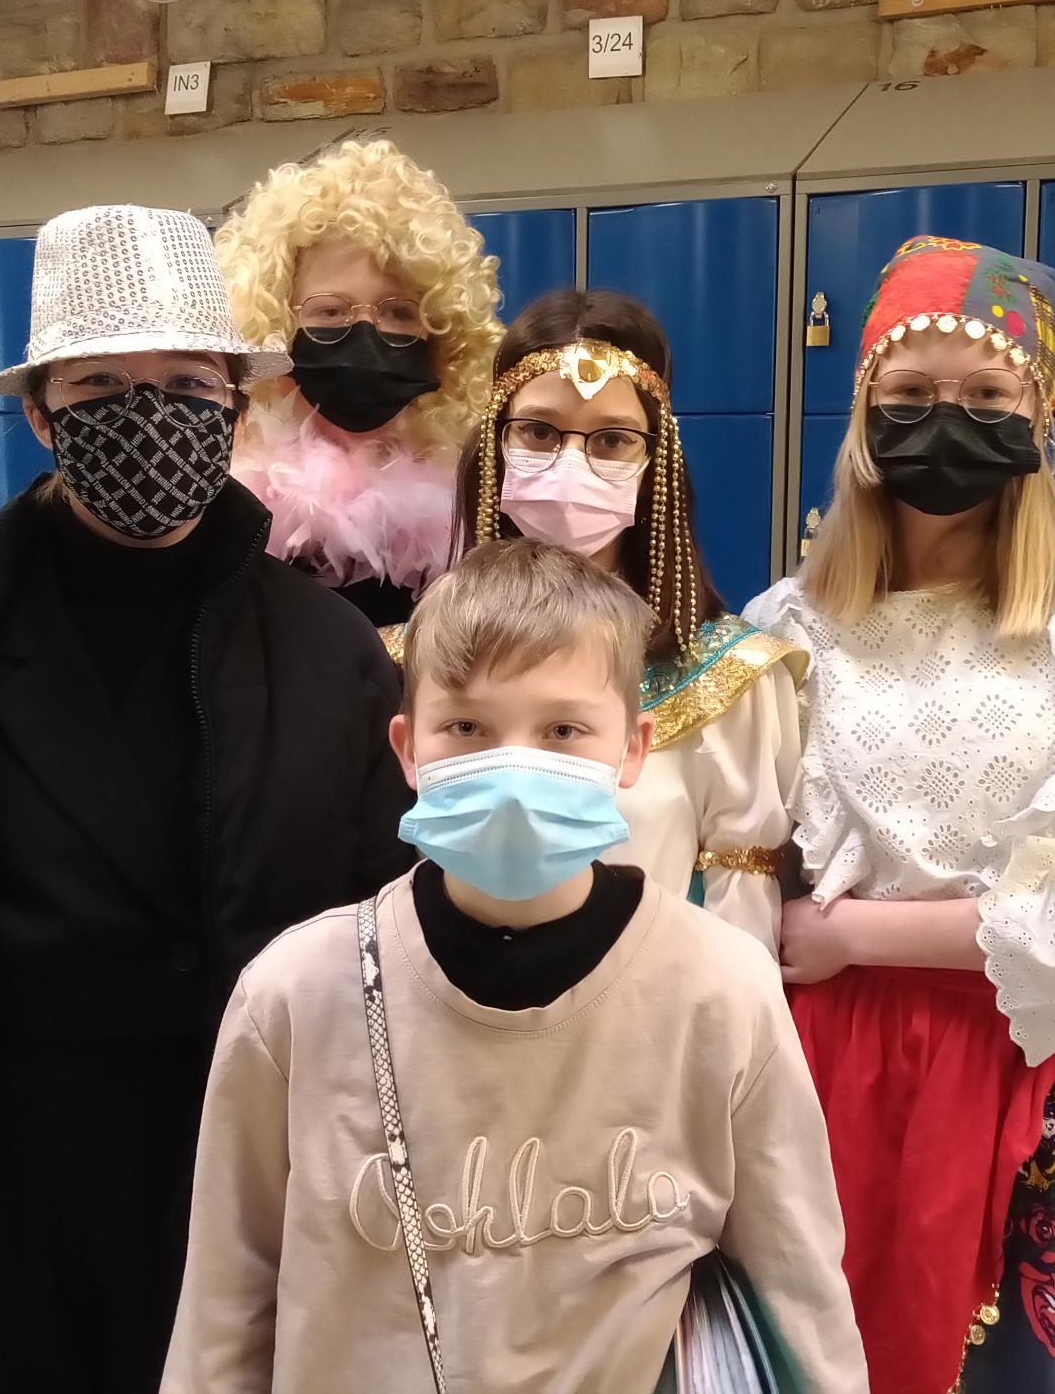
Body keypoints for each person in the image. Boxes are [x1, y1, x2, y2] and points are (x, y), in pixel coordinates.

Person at [0, 205, 414, 1394]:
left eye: (186, 384)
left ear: (235, 404)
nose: (148, 413)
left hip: (245, 1195)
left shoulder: (333, 659)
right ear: (40, 413)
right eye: (100, 383)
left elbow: (392, 971)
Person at [162, 537, 866, 1394]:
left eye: (564, 729)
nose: (514, 766)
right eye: (467, 728)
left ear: (634, 748)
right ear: (407, 749)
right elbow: (225, 1308)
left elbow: (799, 1287)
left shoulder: (720, 989)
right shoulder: (294, 995)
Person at [744, 236, 1055, 1394]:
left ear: (1039, 414)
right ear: (863, 411)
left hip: (1035, 1063)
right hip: (834, 1071)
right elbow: (745, 867)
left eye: (987, 395)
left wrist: (853, 934)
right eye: (907, 392)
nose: (943, 419)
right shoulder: (784, 625)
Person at [386, 288, 803, 954]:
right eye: (539, 432)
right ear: (495, 443)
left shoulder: (730, 678)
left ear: (654, 462)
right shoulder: (406, 663)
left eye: (612, 440)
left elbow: (741, 915)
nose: (571, 463)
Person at [218, 138, 501, 626]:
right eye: (330, 310)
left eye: (399, 312)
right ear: (274, 326)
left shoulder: (480, 504)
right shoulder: (220, 505)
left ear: (441, 335)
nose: (367, 339)